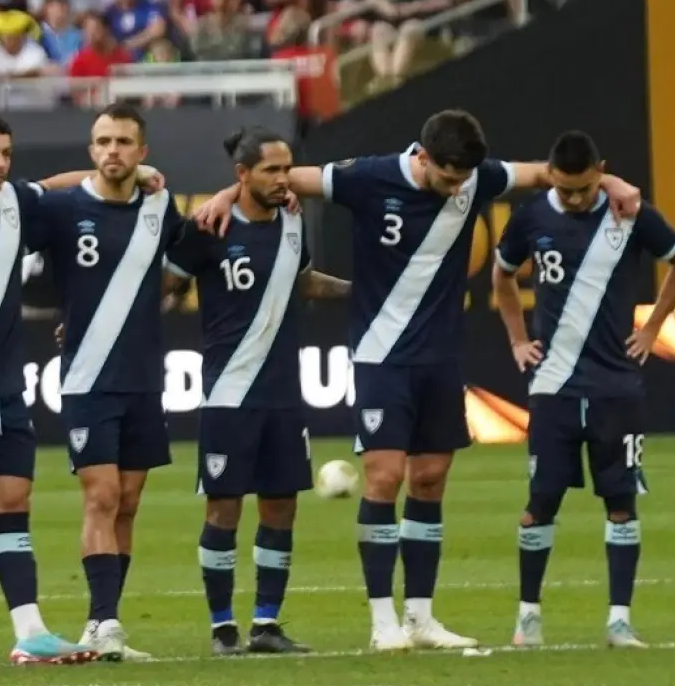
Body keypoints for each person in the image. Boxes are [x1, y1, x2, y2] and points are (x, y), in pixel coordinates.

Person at [194, 109, 642, 652]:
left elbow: (542, 173)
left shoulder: (475, 177)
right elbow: (286, 177)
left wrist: (614, 181)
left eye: (463, 181)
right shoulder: (369, 177)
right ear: (424, 157)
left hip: (440, 358)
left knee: (430, 479)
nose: (456, 189)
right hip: (382, 356)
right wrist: (223, 194)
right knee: (384, 478)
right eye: (448, 178)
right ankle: (383, 622)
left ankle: (421, 617)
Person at [0, 110, 163, 663]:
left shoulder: (17, 203)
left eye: (6, 153)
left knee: (12, 504)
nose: (0, 163)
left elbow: (67, 183)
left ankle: (30, 631)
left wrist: (143, 175)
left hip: (1, 388)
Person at [492, 130, 675, 649]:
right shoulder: (532, 215)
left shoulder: (630, 213)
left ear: (601, 171)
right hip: (552, 384)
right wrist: (517, 339)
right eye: (565, 189)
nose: (575, 199)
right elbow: (503, 276)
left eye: (583, 189)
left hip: (614, 385)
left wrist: (653, 327)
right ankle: (528, 616)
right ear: (551, 176)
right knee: (541, 501)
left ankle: (619, 620)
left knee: (621, 503)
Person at [163, 128, 350, 656]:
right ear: (242, 174)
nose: (282, 178)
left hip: (283, 395)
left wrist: (365, 295)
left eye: (286, 168)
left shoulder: (293, 218)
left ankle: (266, 624)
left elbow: (303, 281)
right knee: (223, 510)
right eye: (270, 169)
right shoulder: (209, 227)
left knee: (281, 507)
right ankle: (223, 628)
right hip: (228, 393)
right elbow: (166, 287)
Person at [25, 103, 184, 661]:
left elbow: (181, 268)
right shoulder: (68, 207)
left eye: (123, 142)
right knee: (103, 494)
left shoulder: (161, 207)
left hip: (143, 377)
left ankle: (106, 624)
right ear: (91, 150)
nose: (111, 151)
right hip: (88, 377)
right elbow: (30, 192)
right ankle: (102, 621)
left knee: (130, 502)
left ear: (143, 151)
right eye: (102, 141)